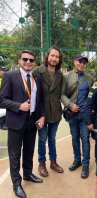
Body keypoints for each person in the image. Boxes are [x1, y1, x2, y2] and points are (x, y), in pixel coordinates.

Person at [0, 50, 45, 198]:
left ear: (34, 63)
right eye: (25, 59)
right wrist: (19, 106)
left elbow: (39, 101)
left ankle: (27, 174)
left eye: (31, 60)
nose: (28, 62)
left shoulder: (36, 78)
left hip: (32, 121)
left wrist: (42, 116)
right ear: (19, 60)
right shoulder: (10, 76)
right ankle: (16, 184)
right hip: (16, 121)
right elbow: (2, 100)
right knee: (14, 154)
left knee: (29, 150)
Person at [61, 54, 94, 179]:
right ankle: (77, 160)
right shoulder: (67, 76)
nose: (82, 64)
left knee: (85, 139)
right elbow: (62, 94)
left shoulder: (90, 78)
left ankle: (85, 165)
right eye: (80, 61)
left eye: (84, 62)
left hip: (85, 115)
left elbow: (92, 95)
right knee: (75, 138)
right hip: (72, 114)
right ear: (74, 62)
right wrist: (70, 105)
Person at [33, 47, 64, 177]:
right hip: (41, 113)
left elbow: (61, 94)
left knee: (52, 138)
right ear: (47, 56)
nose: (54, 59)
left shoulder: (60, 74)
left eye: (57, 57)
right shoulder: (37, 71)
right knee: (42, 139)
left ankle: (53, 161)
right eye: (52, 56)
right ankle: (41, 163)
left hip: (55, 112)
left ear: (59, 59)